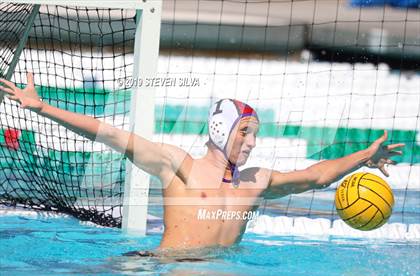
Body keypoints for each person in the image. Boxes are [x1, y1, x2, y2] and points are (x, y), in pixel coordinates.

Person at [0, 74, 404, 251]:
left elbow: (316, 176)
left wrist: (365, 156)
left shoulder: (255, 181)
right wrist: (41, 108)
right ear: (218, 129)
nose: (251, 142)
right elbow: (108, 134)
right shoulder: (178, 166)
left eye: (255, 134)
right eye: (244, 132)